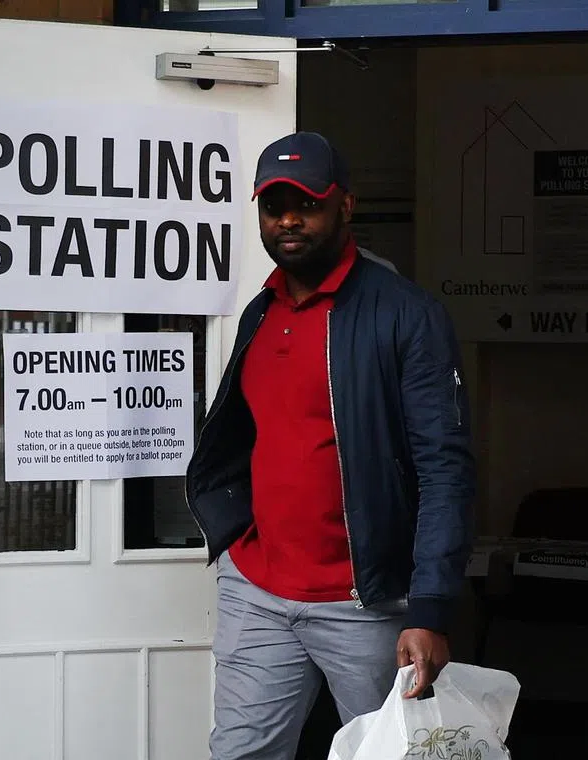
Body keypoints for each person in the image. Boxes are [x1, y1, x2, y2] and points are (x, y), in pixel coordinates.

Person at [185, 131, 476, 760]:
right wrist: (235, 536)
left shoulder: (404, 314)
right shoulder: (259, 312)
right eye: (273, 205)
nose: (288, 220)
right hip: (258, 591)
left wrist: (429, 608)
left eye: (307, 204)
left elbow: (444, 468)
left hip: (364, 601)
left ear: (345, 205)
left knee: (397, 755)